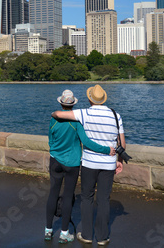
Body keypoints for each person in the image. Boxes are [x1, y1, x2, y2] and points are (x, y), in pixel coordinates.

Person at [52, 84, 126, 246]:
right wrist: (119, 161)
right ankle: (102, 237)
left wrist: (54, 113)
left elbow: (59, 114)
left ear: (90, 98)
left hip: (89, 163)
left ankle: (86, 235)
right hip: (108, 164)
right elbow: (122, 143)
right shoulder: (115, 115)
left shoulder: (84, 113)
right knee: (104, 199)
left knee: (86, 197)